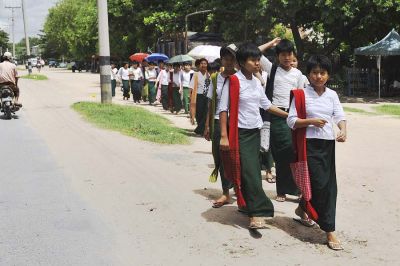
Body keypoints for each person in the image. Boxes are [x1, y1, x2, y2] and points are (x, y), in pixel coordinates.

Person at [219, 42, 288, 229]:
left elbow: (267, 105)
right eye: (253, 60)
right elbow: (223, 109)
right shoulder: (232, 81)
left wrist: (289, 115)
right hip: (239, 133)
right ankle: (256, 213)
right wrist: (224, 136)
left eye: (258, 60)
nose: (257, 63)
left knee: (250, 171)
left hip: (255, 133)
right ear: (241, 62)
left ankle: (247, 204)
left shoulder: (256, 83)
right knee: (250, 172)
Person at [287, 55, 346, 250]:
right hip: (308, 144)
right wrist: (310, 122)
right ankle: (329, 230)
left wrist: (343, 130)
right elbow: (291, 120)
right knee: (321, 185)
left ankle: (303, 207)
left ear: (328, 75)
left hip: (327, 145)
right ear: (309, 74)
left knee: (327, 185)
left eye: (323, 73)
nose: (318, 76)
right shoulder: (301, 94)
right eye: (315, 72)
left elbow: (339, 115)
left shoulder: (332, 95)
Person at [259, 38, 305, 202]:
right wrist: (270, 43)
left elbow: (301, 97)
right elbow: (256, 52)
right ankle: (281, 191)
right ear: (277, 56)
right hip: (277, 117)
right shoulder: (272, 69)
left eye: (289, 54)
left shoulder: (298, 74)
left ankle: (298, 189)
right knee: (280, 155)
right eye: (283, 54)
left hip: (294, 117)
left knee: (294, 153)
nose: (287, 58)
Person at [204, 44, 237, 208]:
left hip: (238, 123)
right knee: (222, 157)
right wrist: (207, 126)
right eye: (226, 59)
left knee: (238, 158)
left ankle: (239, 189)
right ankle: (225, 193)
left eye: (232, 59)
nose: (229, 62)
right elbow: (210, 103)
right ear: (222, 60)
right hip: (218, 121)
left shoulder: (242, 78)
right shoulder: (215, 78)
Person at [189, 58, 210, 135]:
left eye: (205, 63)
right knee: (198, 113)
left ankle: (200, 129)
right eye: (202, 63)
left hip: (207, 95)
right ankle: (200, 127)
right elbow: (191, 87)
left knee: (206, 113)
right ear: (199, 65)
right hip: (198, 95)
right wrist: (190, 96)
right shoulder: (196, 74)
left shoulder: (209, 74)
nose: (203, 65)